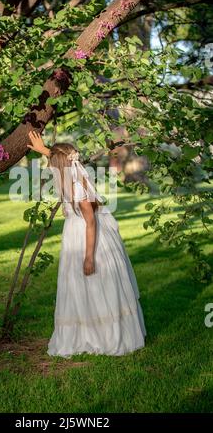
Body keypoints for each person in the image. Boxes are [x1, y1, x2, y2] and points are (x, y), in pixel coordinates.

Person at [27, 130, 146, 358]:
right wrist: (44, 149)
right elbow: (59, 161)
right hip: (77, 233)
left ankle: (104, 335)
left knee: (94, 283)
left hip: (87, 238)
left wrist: (89, 256)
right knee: (79, 287)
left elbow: (90, 222)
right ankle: (87, 329)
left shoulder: (78, 187)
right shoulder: (70, 172)